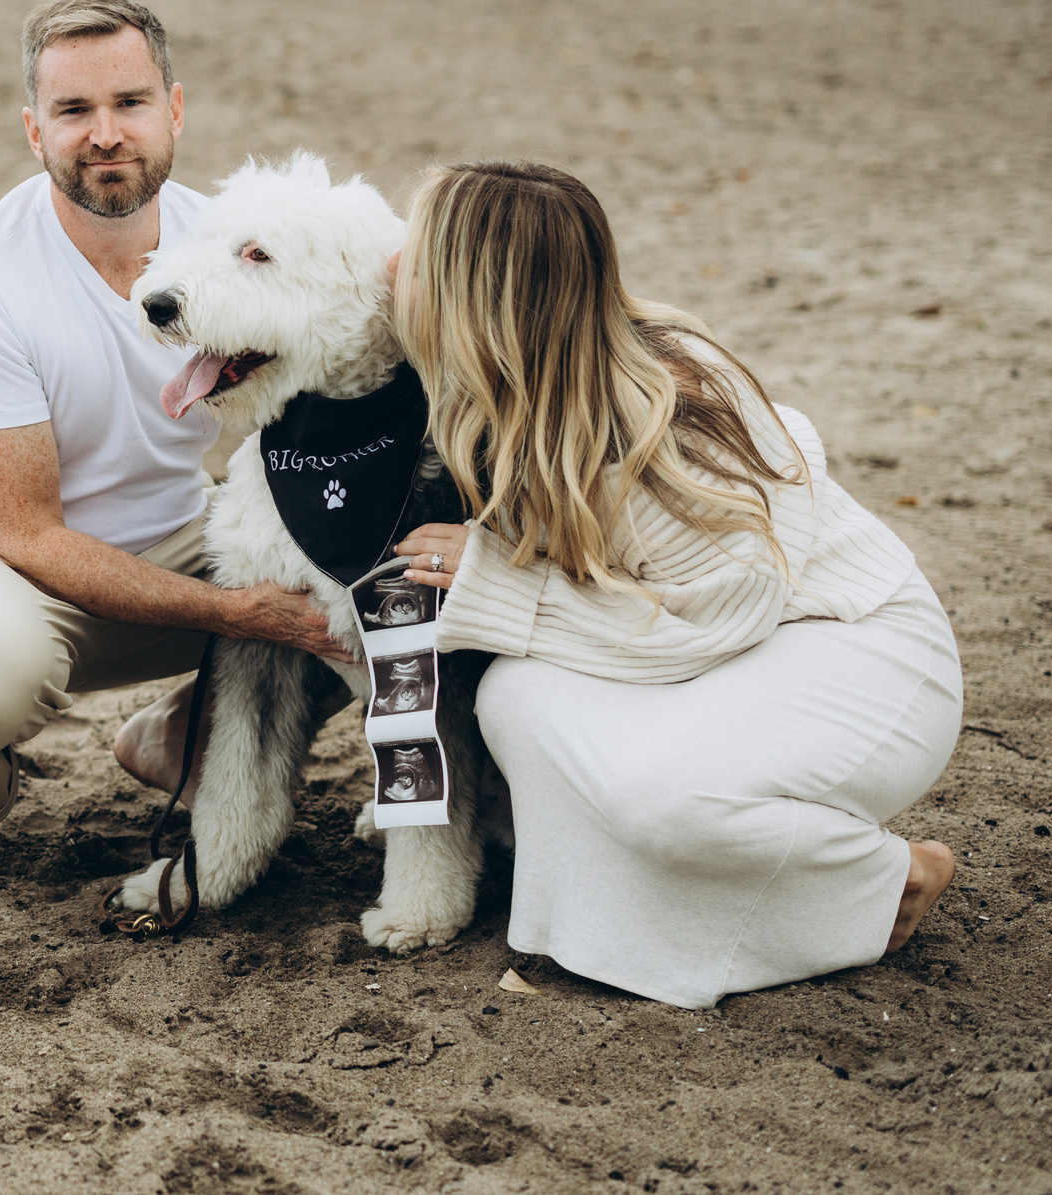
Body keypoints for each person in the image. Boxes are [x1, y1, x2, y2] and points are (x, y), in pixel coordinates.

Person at [387, 160, 961, 1010]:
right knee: (516, 700)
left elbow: (721, 617)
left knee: (663, 799)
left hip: (853, 644)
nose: (391, 265)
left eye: (415, 255)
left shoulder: (668, 407)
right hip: (713, 649)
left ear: (474, 298)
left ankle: (881, 880)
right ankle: (597, 930)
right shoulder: (502, 391)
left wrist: (499, 586)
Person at [0, 0, 348, 894]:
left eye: (129, 102)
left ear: (174, 108)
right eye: (73, 110)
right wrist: (240, 615)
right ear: (33, 130)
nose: (105, 134)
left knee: (354, 573)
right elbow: (27, 535)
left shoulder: (234, 242)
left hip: (168, 542)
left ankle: (182, 732)